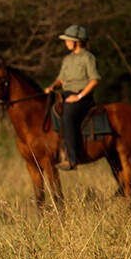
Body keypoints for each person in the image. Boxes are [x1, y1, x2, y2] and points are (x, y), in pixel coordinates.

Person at [43, 24, 101, 170]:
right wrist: (52, 87)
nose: (66, 42)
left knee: (68, 116)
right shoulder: (67, 59)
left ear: (78, 41)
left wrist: (79, 96)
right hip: (66, 93)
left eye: (68, 40)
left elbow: (95, 80)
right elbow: (61, 80)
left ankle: (72, 158)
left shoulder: (89, 58)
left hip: (82, 96)